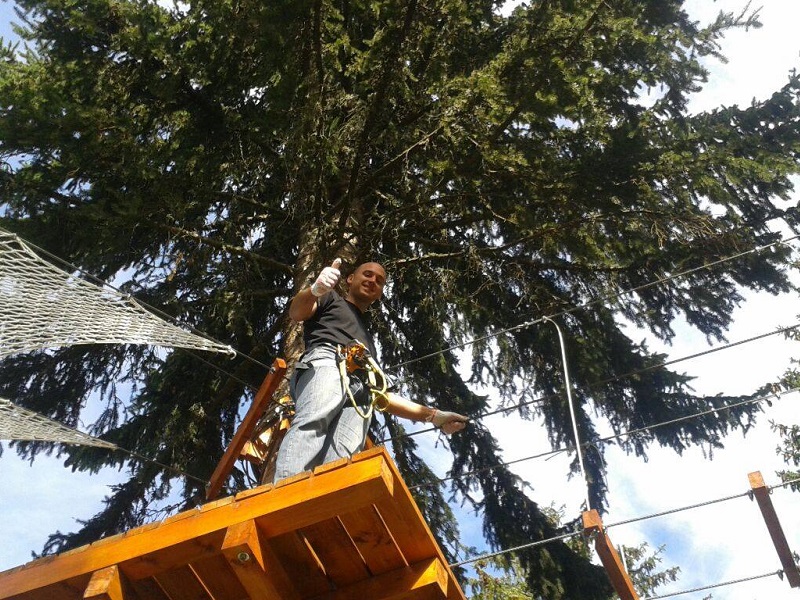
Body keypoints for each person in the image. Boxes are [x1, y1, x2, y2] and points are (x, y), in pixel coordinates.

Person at [273, 258, 469, 481]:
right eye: (367, 274)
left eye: (379, 280)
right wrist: (315, 290)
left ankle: (325, 501)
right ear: (350, 279)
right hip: (328, 360)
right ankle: (285, 489)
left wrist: (434, 417)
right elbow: (297, 312)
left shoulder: (368, 342)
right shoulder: (331, 299)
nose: (373, 280)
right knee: (314, 421)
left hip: (362, 388)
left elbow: (381, 396)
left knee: (344, 455)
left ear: (380, 292)